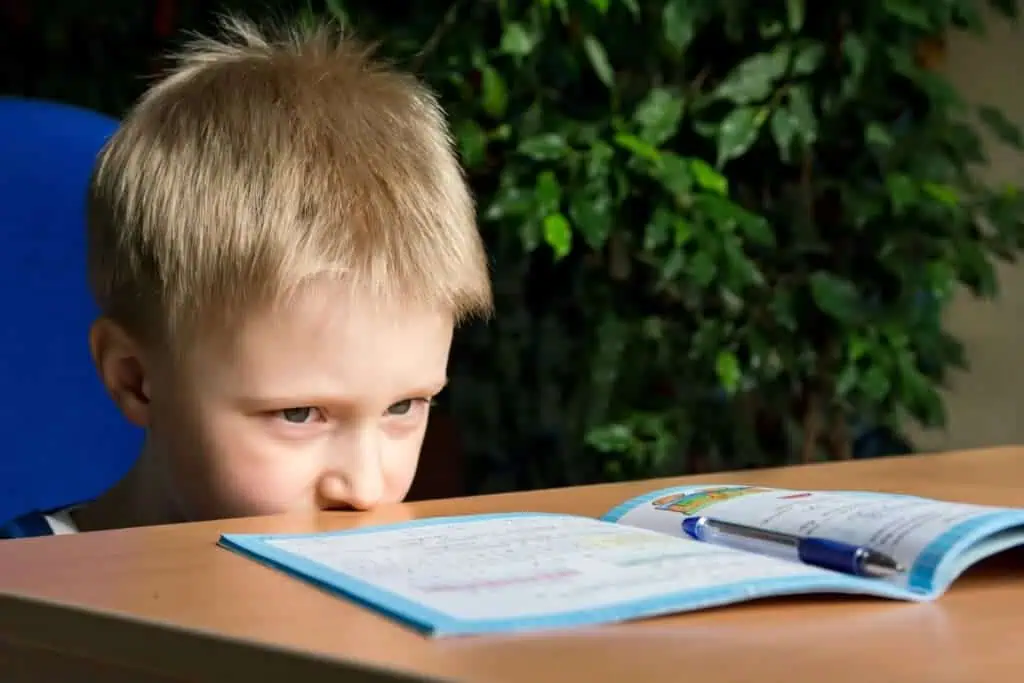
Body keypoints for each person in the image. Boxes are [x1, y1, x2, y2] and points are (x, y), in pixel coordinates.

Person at [1, 15, 492, 538]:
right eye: (300, 415)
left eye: (403, 407)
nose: (366, 489)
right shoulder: (21, 588)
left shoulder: (383, 593)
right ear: (136, 380)